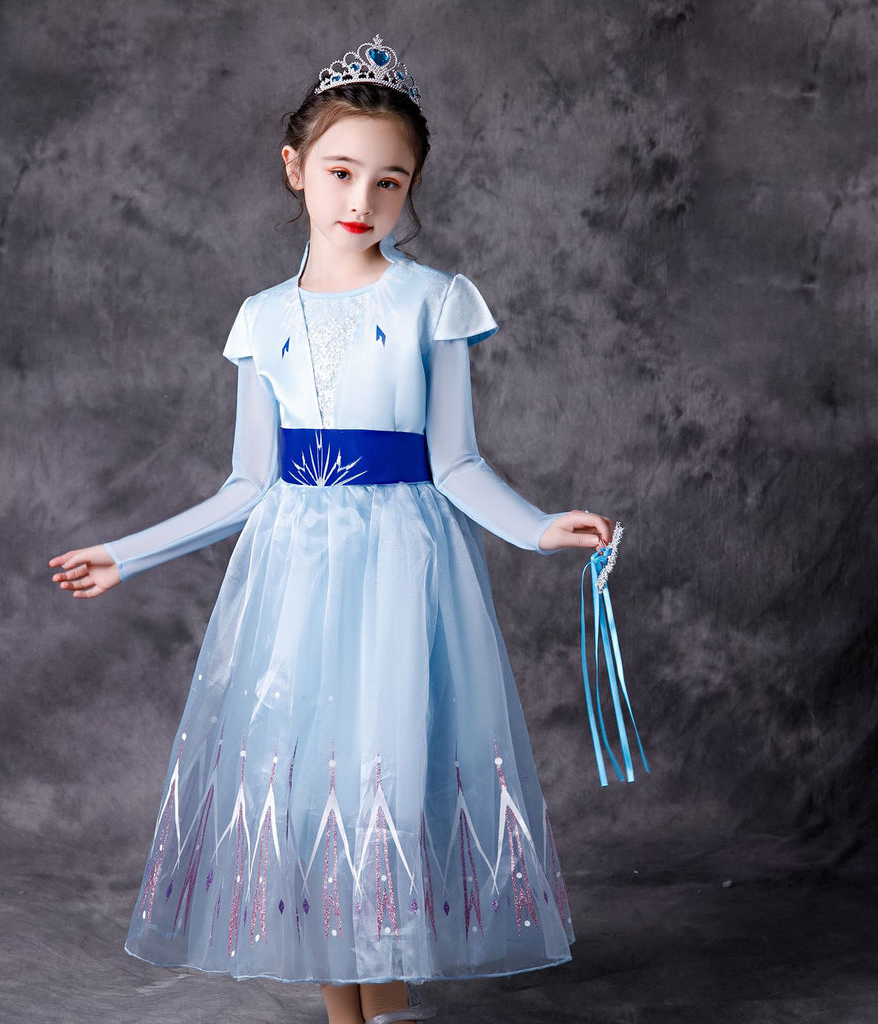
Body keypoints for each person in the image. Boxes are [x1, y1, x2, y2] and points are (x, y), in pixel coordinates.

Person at [50, 34, 614, 1024]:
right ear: (295, 169)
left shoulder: (436, 299)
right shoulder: (262, 317)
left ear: (412, 186)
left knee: (381, 780)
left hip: (401, 570)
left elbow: (456, 462)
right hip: (294, 579)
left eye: (389, 181)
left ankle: (384, 1007)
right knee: (310, 779)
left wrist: (535, 529)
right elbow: (245, 485)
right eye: (341, 171)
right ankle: (344, 1011)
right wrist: (123, 555)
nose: (362, 198)